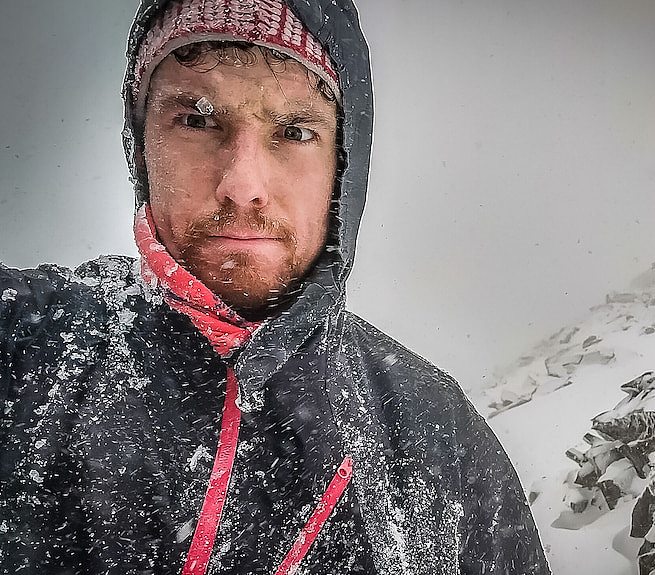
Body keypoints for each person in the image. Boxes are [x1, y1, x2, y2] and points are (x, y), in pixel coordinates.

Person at [0, 1, 550, 573]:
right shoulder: (22, 350)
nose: (243, 186)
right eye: (196, 119)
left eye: (295, 131)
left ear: (343, 164)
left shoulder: (438, 438)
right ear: (142, 147)